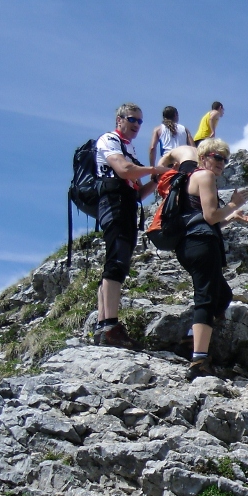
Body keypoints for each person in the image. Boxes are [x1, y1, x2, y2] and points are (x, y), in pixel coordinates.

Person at [176, 138, 248, 376]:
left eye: (225, 159)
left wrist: (232, 216)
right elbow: (211, 216)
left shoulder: (191, 178)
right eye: (217, 157)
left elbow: (207, 218)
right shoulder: (205, 176)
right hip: (202, 244)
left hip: (189, 244)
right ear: (203, 158)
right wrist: (233, 204)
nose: (222, 163)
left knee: (223, 295)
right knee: (207, 297)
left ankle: (191, 341)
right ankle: (199, 360)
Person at [92, 103, 170, 348]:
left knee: (117, 261)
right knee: (116, 261)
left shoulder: (128, 147)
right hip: (114, 204)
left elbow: (136, 193)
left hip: (125, 205)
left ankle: (103, 326)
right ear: (119, 120)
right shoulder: (109, 140)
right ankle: (110, 326)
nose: (136, 124)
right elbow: (124, 170)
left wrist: (156, 179)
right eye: (132, 119)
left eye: (140, 121)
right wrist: (156, 168)